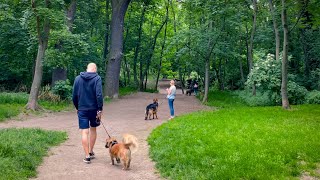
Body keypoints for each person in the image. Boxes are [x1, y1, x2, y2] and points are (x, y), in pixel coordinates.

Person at [72, 63, 103, 164]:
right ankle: (90, 151)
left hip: (82, 109)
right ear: (94, 69)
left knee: (84, 132)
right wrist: (100, 109)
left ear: (87, 69)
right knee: (93, 129)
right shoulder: (97, 78)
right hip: (94, 109)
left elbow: (74, 95)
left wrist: (77, 107)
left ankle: (87, 156)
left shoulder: (78, 79)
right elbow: (99, 95)